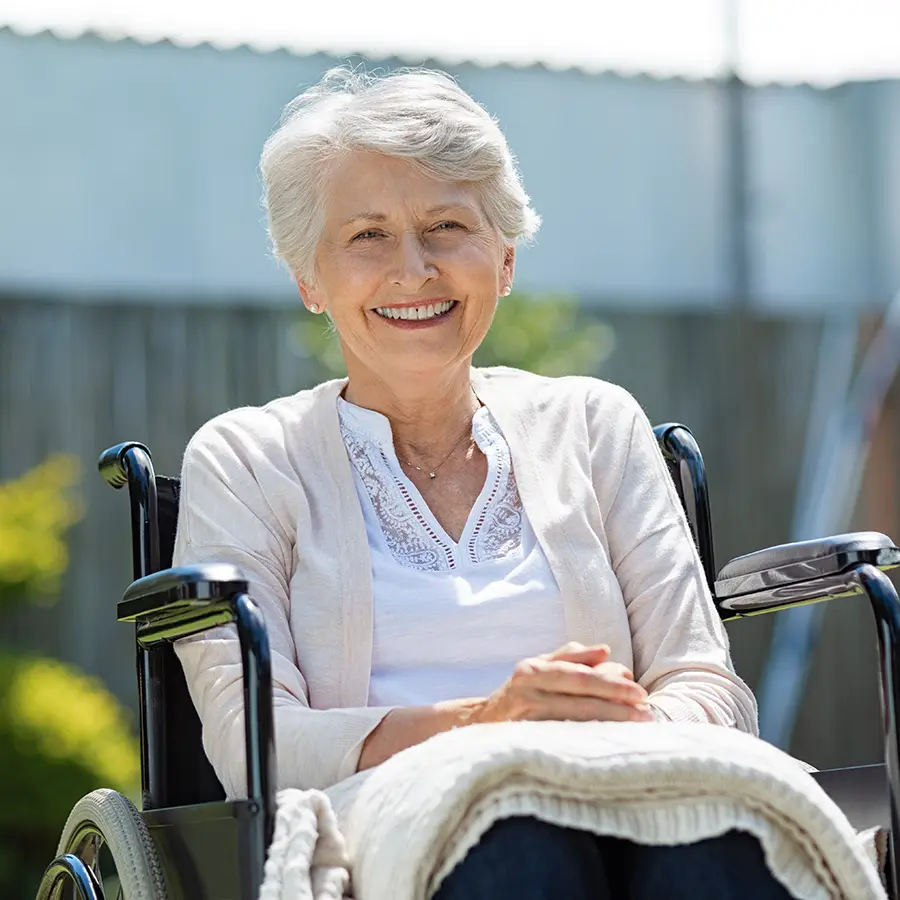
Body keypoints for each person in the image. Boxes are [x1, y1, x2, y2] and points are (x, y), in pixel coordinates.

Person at [172, 67, 790, 899]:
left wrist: (601, 745)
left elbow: (708, 684)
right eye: (367, 235)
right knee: (519, 843)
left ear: (503, 259)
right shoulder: (247, 460)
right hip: (386, 823)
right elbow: (255, 742)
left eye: (446, 226)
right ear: (308, 279)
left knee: (722, 845)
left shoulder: (594, 425)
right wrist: (489, 726)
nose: (414, 268)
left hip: (626, 788)